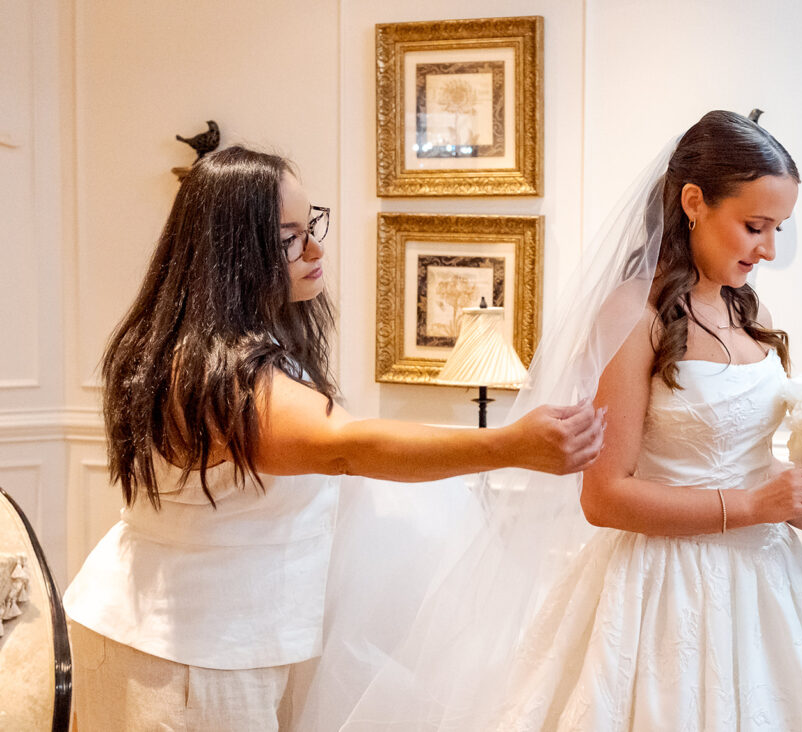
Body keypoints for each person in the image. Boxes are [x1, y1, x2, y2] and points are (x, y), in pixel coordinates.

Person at [315, 111, 802, 730]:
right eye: (755, 226)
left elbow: (739, 463)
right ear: (693, 202)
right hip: (668, 593)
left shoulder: (749, 309)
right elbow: (605, 496)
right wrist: (754, 506)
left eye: (778, 228)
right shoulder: (632, 315)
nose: (769, 249)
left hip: (767, 590)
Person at [61, 146, 604, 732]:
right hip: (189, 651)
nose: (315, 249)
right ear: (236, 254)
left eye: (310, 224)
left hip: (177, 634)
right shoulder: (219, 372)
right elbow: (344, 446)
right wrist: (509, 446)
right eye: (290, 238)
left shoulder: (211, 347)